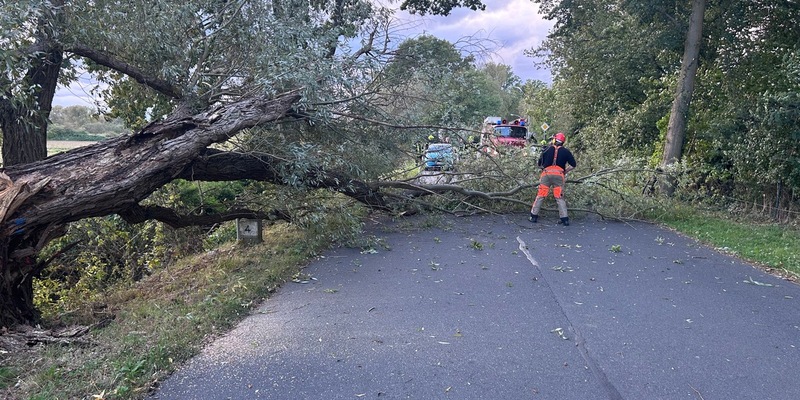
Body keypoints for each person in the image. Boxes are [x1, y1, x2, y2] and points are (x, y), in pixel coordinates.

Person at [529, 132, 576, 226]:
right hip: (559, 175)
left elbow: (539, 164)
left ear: (554, 140)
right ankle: (564, 219)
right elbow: (573, 165)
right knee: (559, 197)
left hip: (546, 174)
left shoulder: (546, 149)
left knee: (541, 195)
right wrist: (565, 171)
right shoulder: (566, 152)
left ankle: (533, 216)